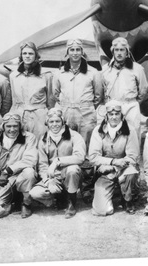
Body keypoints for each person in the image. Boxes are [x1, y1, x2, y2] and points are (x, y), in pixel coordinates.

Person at [52, 39, 103, 203]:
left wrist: (86, 107)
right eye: (72, 49)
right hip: (66, 113)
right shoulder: (59, 73)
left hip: (86, 113)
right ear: (67, 52)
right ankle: (68, 188)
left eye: (78, 49)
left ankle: (87, 188)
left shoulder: (93, 72)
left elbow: (98, 96)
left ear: (82, 52)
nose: (75, 53)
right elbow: (55, 94)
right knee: (67, 148)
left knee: (87, 151)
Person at [29, 108, 86, 219]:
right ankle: (57, 197)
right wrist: (48, 181)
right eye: (51, 122)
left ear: (63, 121)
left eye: (57, 121)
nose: (54, 124)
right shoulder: (43, 140)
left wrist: (57, 161)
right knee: (35, 193)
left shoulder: (74, 136)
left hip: (70, 175)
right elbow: (42, 165)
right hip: (53, 177)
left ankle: (72, 202)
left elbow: (80, 157)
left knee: (73, 169)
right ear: (47, 123)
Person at [0, 113, 38, 220]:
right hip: (6, 180)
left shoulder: (29, 137)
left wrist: (8, 170)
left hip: (22, 175)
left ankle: (26, 203)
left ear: (20, 126)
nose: (12, 129)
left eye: (15, 126)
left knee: (29, 172)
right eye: (8, 126)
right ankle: (7, 204)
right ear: (3, 127)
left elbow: (30, 159)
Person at [88, 100, 140, 216]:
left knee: (131, 173)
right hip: (106, 171)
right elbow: (93, 157)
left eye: (117, 114)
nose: (114, 117)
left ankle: (127, 199)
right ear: (106, 116)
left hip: (124, 169)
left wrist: (116, 167)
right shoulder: (98, 130)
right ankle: (114, 193)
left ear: (122, 115)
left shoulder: (130, 130)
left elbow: (132, 157)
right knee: (101, 211)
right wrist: (112, 162)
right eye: (111, 114)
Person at [101, 37, 148, 142]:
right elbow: (102, 89)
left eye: (122, 50)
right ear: (113, 52)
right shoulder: (105, 70)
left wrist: (133, 102)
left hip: (131, 105)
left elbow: (143, 90)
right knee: (113, 134)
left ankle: (134, 157)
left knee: (134, 133)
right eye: (116, 50)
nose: (119, 53)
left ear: (127, 52)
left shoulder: (137, 68)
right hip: (113, 106)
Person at [9, 42, 55, 140]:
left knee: (39, 145)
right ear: (21, 56)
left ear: (36, 56)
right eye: (24, 53)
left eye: (31, 53)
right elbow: (13, 100)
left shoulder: (46, 75)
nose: (27, 56)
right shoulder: (14, 76)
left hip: (39, 117)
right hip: (20, 115)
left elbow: (50, 101)